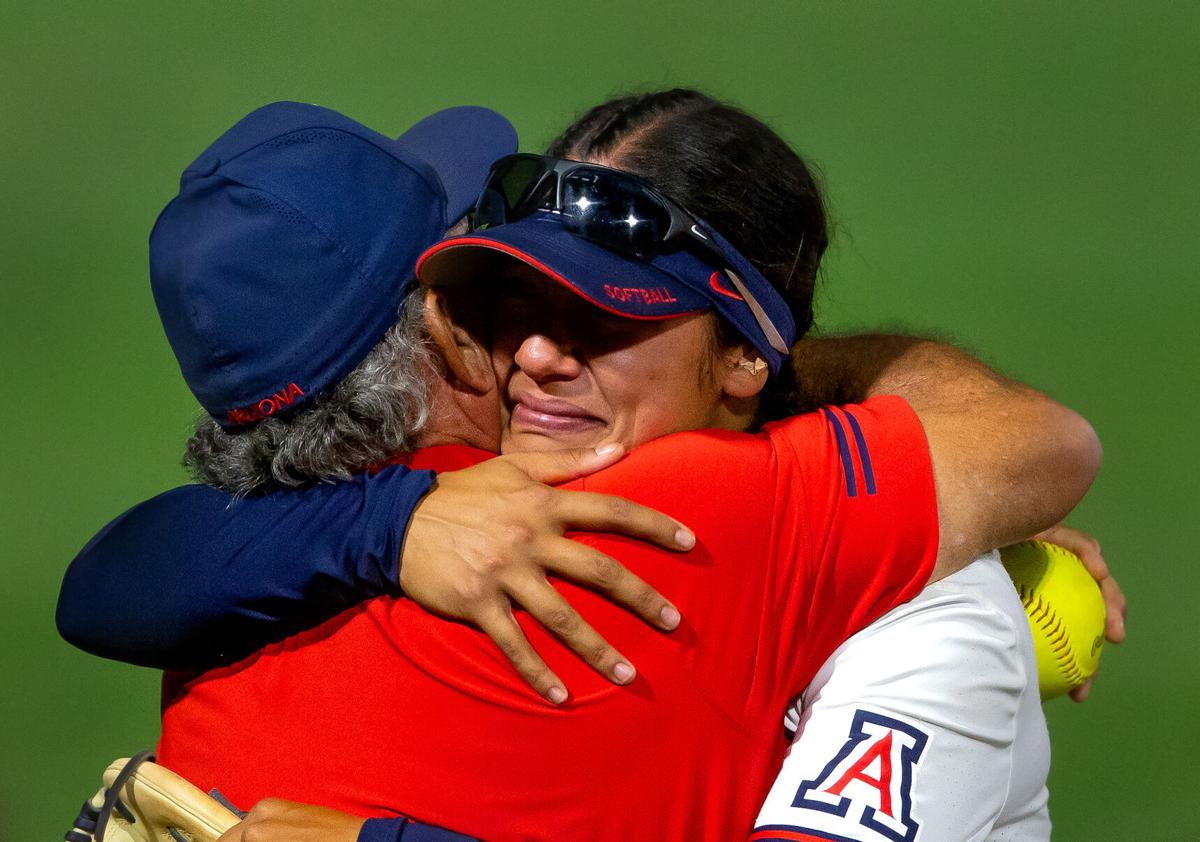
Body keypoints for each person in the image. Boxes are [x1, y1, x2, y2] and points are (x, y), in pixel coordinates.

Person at [58, 91, 1105, 841]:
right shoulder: (680, 517)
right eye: (503, 276)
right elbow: (1034, 444)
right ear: (449, 328)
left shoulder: (206, 622)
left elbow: (100, 579)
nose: (541, 350)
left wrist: (390, 521)